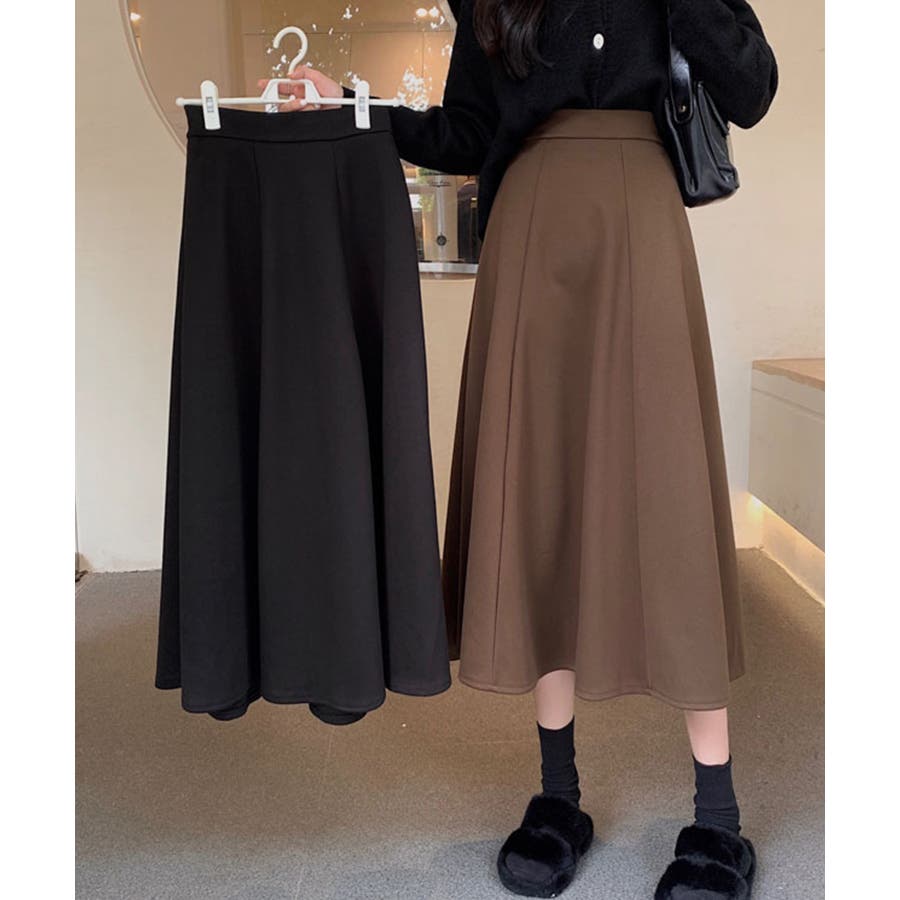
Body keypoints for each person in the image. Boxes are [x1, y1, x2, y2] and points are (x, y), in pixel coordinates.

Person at [261, 1, 778, 896]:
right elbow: (467, 130)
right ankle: (558, 795)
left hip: (643, 229)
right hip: (531, 237)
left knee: (669, 501)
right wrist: (354, 107)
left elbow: (752, 88)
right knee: (541, 503)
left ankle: (717, 816)